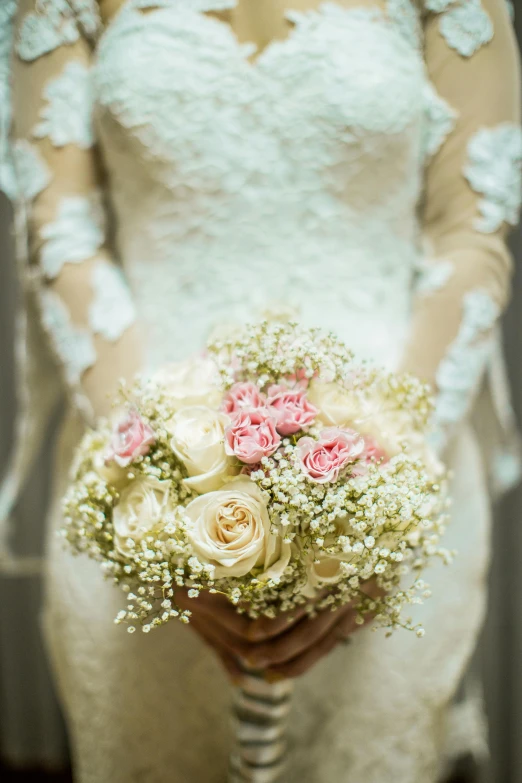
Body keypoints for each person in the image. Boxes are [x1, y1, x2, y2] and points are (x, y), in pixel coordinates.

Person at [1, 0, 521, 781]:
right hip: (134, 464)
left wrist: (377, 508)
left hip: (396, 462)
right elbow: (62, 235)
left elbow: (469, 236)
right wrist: (160, 501)